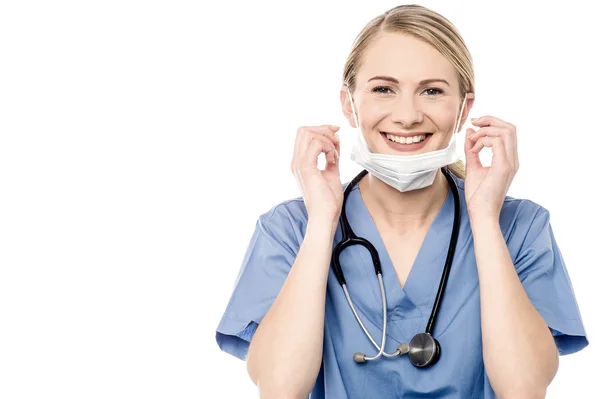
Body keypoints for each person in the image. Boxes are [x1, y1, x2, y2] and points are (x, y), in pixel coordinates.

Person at [214, 4, 588, 398]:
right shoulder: (290, 229)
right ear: (349, 104)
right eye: (382, 89)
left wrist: (484, 219)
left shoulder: (519, 226)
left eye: (432, 91)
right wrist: (323, 222)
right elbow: (279, 388)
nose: (407, 115)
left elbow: (524, 387)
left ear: (464, 109)